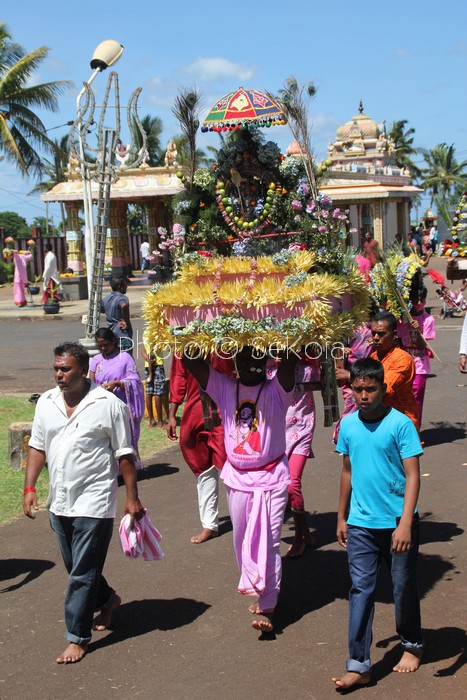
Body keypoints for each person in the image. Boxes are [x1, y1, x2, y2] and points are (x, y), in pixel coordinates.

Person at [23, 342, 145, 664]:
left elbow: (124, 454)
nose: (59, 375)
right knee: (75, 565)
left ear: (83, 370)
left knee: (80, 573)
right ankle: (108, 599)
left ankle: (77, 636)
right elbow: (37, 447)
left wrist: (132, 497)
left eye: (65, 369)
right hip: (59, 500)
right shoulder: (46, 403)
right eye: (56, 369)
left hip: (95, 500)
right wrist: (29, 487)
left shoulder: (108, 404)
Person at [183, 346, 297, 633]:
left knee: (269, 541)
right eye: (243, 356)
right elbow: (190, 360)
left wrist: (291, 335)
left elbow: (289, 362)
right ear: (233, 360)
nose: (249, 361)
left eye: (256, 355)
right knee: (242, 540)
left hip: (271, 478)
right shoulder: (225, 386)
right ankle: (257, 586)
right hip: (238, 479)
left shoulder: (277, 389)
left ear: (266, 359)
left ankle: (269, 604)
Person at [332, 358, 424, 690]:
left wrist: (405, 524)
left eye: (370, 389)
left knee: (402, 587)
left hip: (398, 524)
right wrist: (341, 517)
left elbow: (413, 476)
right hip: (360, 525)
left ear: (383, 389)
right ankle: (359, 665)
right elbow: (347, 471)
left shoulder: (401, 425)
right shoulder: (348, 425)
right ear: (352, 389)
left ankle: (412, 644)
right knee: (360, 590)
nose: (364, 395)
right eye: (358, 389)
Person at [167, 354, 231, 544]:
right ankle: (209, 525)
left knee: (233, 466)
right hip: (195, 411)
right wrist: (172, 414)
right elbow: (179, 376)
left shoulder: (226, 336)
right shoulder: (184, 340)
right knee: (202, 466)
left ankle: (247, 517)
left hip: (226, 407)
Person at [89, 328, 144, 470]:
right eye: (99, 345)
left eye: (106, 344)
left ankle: (125, 471)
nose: (103, 348)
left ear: (113, 341)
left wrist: (118, 383)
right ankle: (109, 470)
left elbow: (135, 380)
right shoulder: (96, 360)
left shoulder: (124, 358)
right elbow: (91, 383)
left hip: (122, 406)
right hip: (103, 407)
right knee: (106, 439)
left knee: (123, 439)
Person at [370, 311, 419, 430]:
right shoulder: (373, 357)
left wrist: (351, 376)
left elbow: (384, 389)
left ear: (394, 334)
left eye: (381, 334)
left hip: (401, 425)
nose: (376, 338)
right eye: (373, 333)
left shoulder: (402, 359)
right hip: (379, 423)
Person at [398, 290, 436, 426]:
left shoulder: (428, 319)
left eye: (422, 300)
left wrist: (417, 330)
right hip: (404, 364)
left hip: (420, 366)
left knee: (416, 400)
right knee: (402, 399)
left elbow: (422, 345)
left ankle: (415, 431)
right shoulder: (403, 320)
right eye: (416, 300)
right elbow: (399, 341)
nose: (419, 304)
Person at [141, 328, 168, 428]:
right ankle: (160, 422)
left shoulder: (146, 332)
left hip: (148, 366)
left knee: (149, 392)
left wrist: (147, 360)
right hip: (157, 365)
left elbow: (143, 350)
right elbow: (153, 353)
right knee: (158, 393)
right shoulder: (157, 332)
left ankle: (151, 420)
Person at [100, 274, 133, 353]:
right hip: (122, 333)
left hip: (111, 334)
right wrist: (127, 322)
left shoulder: (106, 299)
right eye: (125, 285)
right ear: (119, 287)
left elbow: (102, 309)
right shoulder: (122, 297)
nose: (126, 287)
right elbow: (124, 305)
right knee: (127, 359)